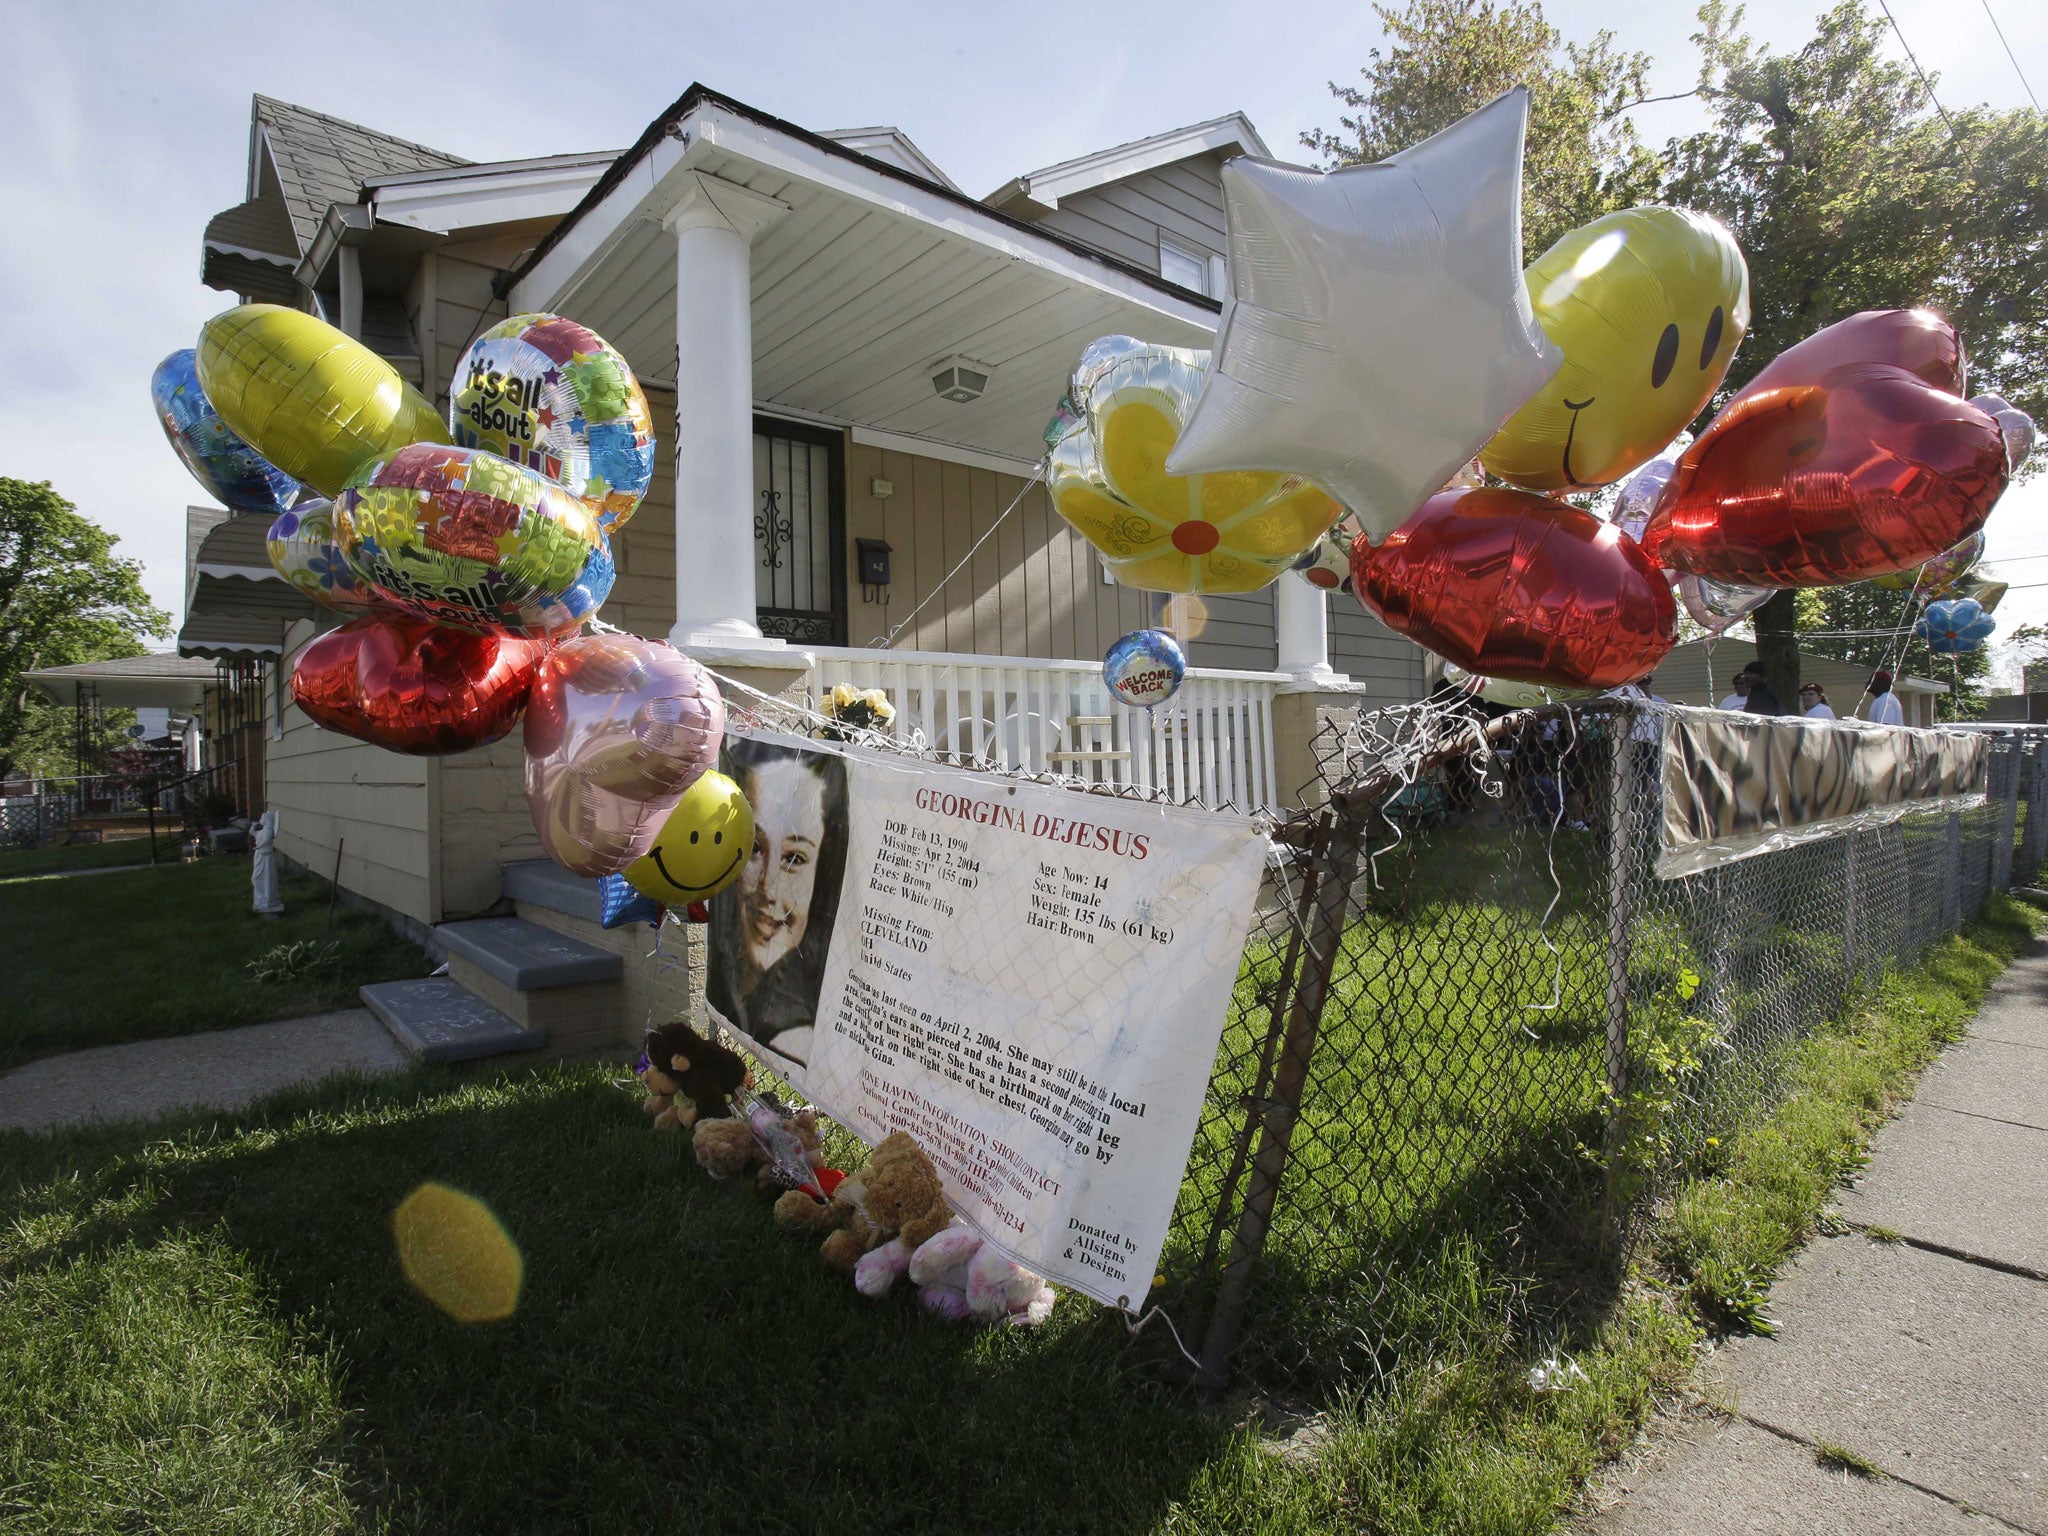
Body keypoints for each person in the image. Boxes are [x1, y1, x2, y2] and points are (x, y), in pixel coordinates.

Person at [705, 739, 850, 1068]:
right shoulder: (731, 985)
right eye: (755, 847)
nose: (768, 888)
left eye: (795, 858)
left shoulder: (802, 1036)